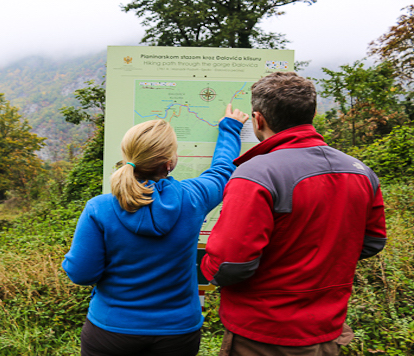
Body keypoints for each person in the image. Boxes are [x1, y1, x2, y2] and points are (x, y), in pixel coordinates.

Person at [200, 72, 387, 355]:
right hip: (327, 332)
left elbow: (230, 264)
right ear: (310, 114)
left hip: (262, 336)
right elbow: (372, 241)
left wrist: (204, 268)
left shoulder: (256, 173)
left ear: (258, 119)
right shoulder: (360, 171)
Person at [62, 104, 249, 356]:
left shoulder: (100, 208)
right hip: (178, 332)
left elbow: (81, 273)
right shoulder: (193, 199)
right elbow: (223, 170)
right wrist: (231, 127)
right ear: (169, 163)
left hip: (111, 331)